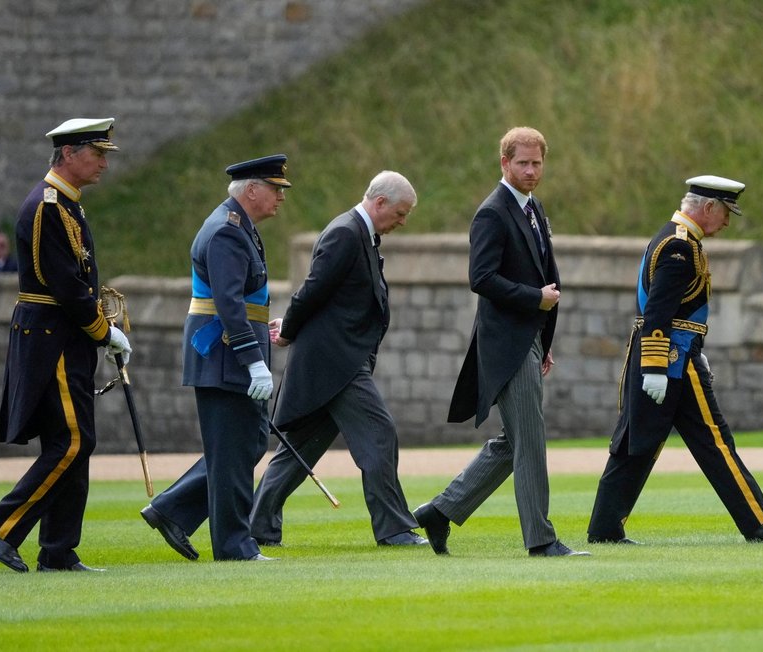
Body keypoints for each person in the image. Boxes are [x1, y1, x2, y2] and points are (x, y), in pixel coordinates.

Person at [588, 175, 763, 545]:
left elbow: (676, 310)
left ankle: (605, 529)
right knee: (712, 442)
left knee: (638, 443)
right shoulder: (680, 247)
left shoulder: (678, 238)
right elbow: (658, 311)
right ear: (708, 207)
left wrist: (692, 352)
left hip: (671, 358)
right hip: (672, 363)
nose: (726, 222)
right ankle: (759, 522)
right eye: (725, 213)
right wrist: (659, 367)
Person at [412, 127, 588, 557]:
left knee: (513, 442)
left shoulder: (532, 207)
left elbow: (541, 272)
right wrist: (535, 300)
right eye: (522, 163)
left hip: (526, 340)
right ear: (504, 163)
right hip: (506, 346)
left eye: (537, 163)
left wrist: (544, 340)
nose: (531, 170)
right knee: (530, 441)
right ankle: (541, 540)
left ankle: (440, 511)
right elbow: (482, 279)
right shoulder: (492, 212)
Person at [0, 117, 132, 573]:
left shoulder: (68, 204)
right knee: (72, 441)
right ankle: (2, 527)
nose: (103, 162)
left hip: (66, 336)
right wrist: (104, 331)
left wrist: (98, 330)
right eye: (96, 153)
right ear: (68, 154)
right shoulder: (47, 206)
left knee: (75, 441)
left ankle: (58, 549)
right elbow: (62, 283)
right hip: (53, 336)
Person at [249, 170, 425, 548]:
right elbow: (311, 291)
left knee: (300, 448)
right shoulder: (346, 232)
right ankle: (393, 528)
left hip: (336, 362)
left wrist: (292, 327)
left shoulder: (358, 233)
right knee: (380, 433)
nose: (402, 222)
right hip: (337, 364)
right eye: (399, 213)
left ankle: (257, 526)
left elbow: (326, 297)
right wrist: (291, 330)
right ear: (379, 203)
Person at [139, 155, 289, 562]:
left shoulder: (239, 227)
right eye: (275, 189)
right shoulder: (227, 231)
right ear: (252, 190)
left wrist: (262, 331)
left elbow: (245, 300)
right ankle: (233, 545)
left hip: (229, 352)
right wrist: (253, 359)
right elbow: (228, 302)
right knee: (234, 450)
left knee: (247, 444)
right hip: (224, 355)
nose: (280, 198)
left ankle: (171, 510)